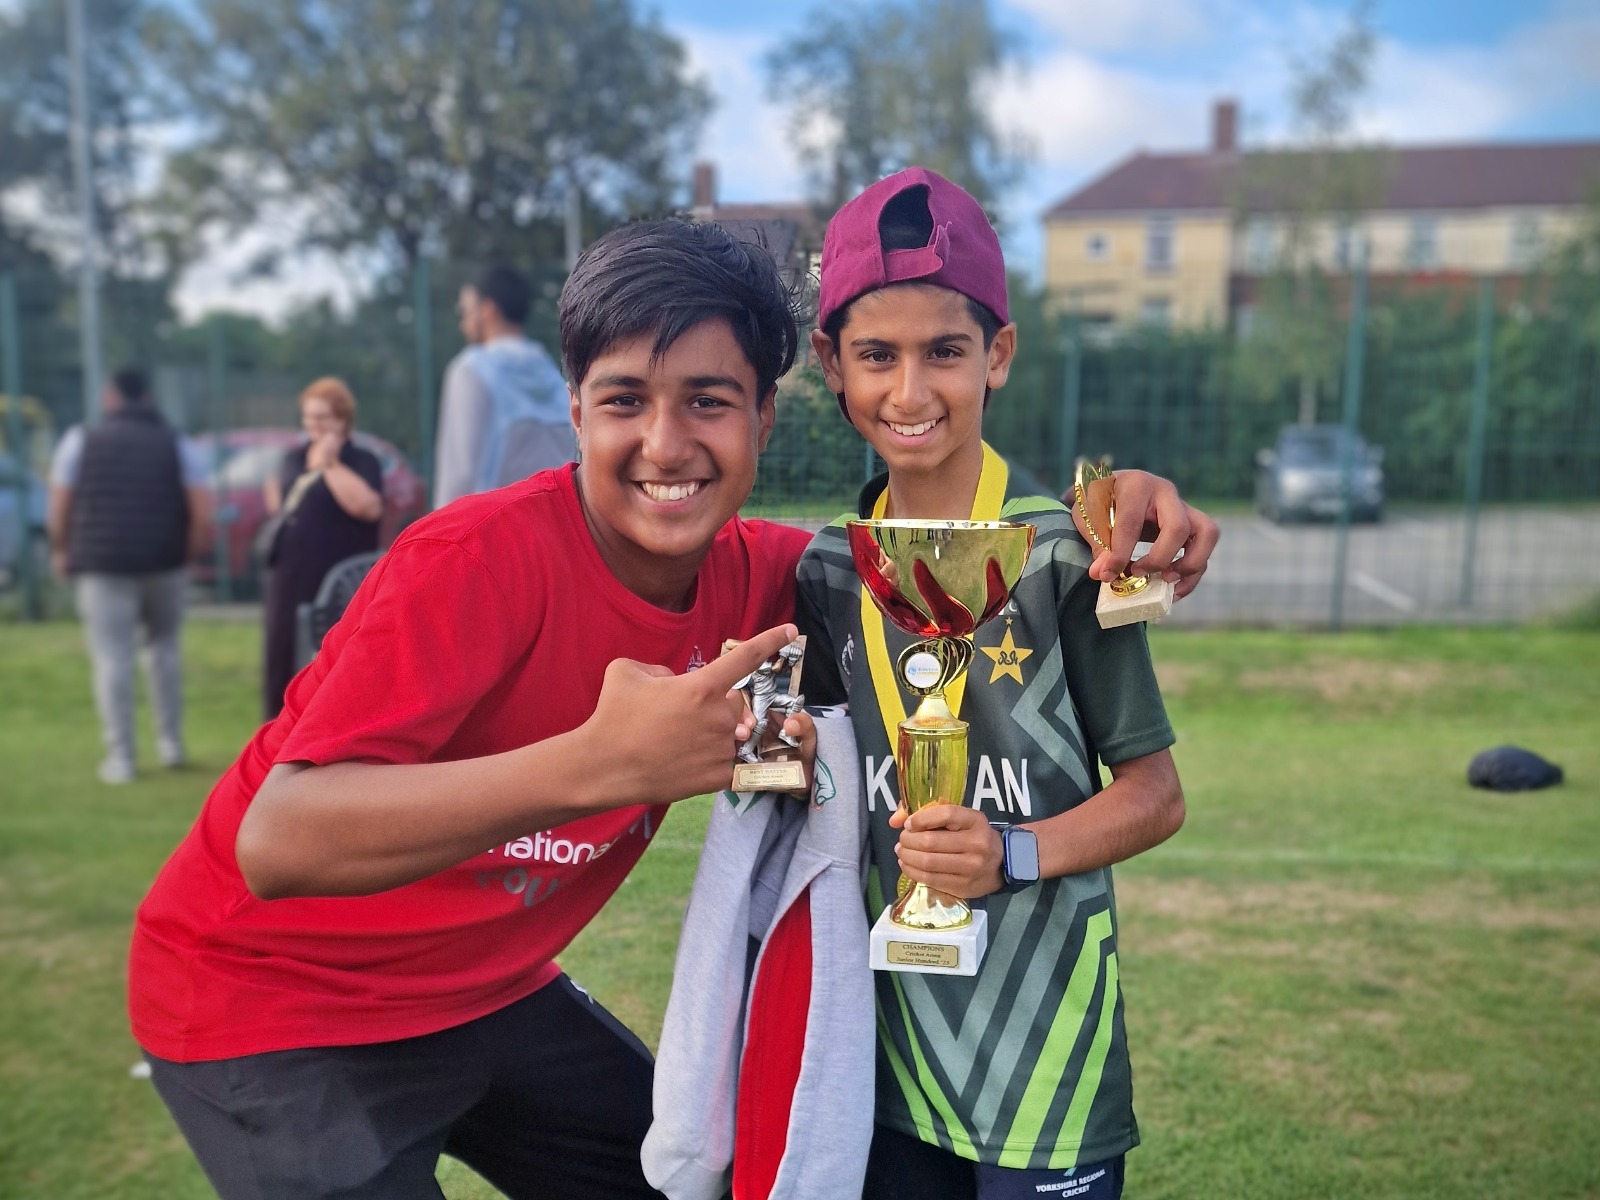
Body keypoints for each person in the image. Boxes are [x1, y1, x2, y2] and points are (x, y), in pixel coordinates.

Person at [127, 218, 1214, 1200]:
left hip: (488, 994)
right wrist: (602, 764)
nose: (665, 444)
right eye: (623, 402)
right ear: (573, 411)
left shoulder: (782, 579)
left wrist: (1118, 500)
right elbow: (278, 839)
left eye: (706, 399)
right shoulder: (468, 561)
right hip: (266, 1007)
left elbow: (944, 563)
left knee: (699, 1181)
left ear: (764, 415)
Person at [794, 168, 1191, 1200]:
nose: (910, 391)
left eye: (946, 353)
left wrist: (1010, 852)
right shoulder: (827, 572)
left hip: (1046, 1062)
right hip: (883, 1065)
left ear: (998, 356)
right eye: (876, 355)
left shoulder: (1075, 551)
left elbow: (1156, 796)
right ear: (831, 364)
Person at [47, 366, 211, 784]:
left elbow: (60, 505)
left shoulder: (79, 441)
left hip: (103, 567)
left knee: (112, 658)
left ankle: (121, 758)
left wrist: (62, 550)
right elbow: (201, 509)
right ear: (147, 398)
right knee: (165, 651)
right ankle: (171, 745)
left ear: (110, 397)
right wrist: (187, 552)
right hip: (164, 563)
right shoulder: (178, 443)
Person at [259, 377, 384, 718]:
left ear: (343, 420)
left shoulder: (361, 460)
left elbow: (368, 507)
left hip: (339, 577)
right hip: (290, 576)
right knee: (285, 653)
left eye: (323, 418)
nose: (314, 425)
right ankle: (280, 728)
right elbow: (280, 501)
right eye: (309, 417)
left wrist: (329, 464)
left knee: (337, 653)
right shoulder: (294, 457)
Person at [432, 262, 574, 509]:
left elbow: (459, 474)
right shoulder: (552, 375)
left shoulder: (470, 370)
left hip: (491, 533)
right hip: (555, 528)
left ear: (487, 310)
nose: (462, 322)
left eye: (464, 311)